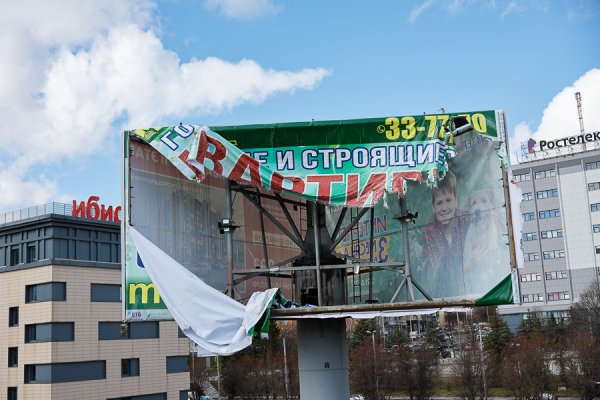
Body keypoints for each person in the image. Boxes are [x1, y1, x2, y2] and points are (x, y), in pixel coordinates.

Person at [414, 170, 468, 298]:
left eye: (448, 200)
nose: (444, 208)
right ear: (433, 207)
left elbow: (491, 217)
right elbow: (435, 270)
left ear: (456, 201)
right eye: (439, 203)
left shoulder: (467, 219)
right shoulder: (428, 233)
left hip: (470, 289)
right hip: (441, 294)